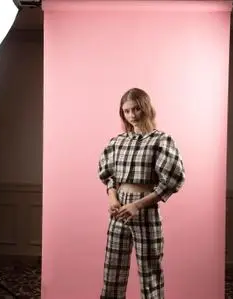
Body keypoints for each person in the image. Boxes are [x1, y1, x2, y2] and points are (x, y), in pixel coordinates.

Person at [98, 87, 186, 299]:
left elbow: (172, 180)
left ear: (146, 108)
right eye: (127, 111)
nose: (132, 115)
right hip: (119, 210)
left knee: (150, 270)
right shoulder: (117, 141)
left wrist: (137, 205)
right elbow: (109, 176)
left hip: (145, 209)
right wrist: (112, 199)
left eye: (136, 109)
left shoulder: (161, 141)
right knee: (112, 270)